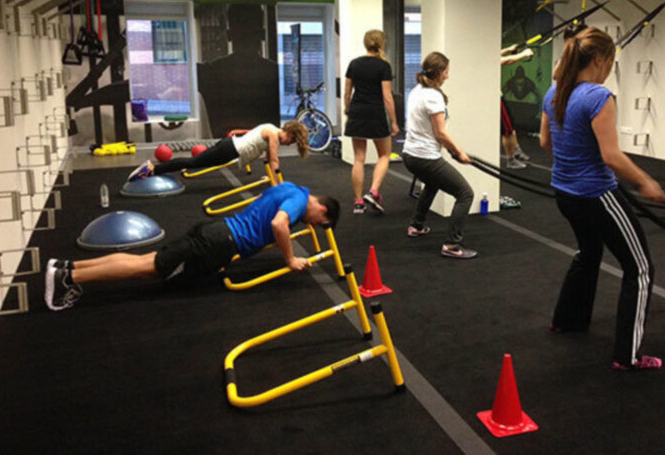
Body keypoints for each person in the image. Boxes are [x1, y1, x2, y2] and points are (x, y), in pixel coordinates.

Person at [539, 26, 665, 371]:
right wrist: (646, 181)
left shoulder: (554, 92)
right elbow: (611, 156)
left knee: (589, 252)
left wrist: (574, 151)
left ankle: (567, 320)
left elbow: (545, 143)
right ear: (599, 59)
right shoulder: (598, 96)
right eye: (611, 61)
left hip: (564, 193)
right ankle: (629, 356)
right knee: (639, 269)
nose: (610, 68)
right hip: (596, 194)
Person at [45, 182, 340, 311]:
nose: (311, 225)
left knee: (146, 262)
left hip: (217, 232)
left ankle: (68, 268)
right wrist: (290, 259)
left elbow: (261, 214)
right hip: (218, 242)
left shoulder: (290, 187)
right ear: (323, 211)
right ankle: (69, 278)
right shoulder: (300, 202)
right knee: (144, 268)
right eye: (318, 223)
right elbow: (278, 224)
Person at [402, 52, 476, 260]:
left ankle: (416, 226)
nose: (448, 76)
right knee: (465, 194)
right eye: (446, 72)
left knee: (432, 184)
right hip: (424, 157)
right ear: (438, 73)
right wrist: (458, 153)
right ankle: (452, 244)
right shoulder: (433, 96)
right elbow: (441, 133)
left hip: (410, 155)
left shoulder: (417, 90)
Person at [127, 121, 309, 182]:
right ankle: (151, 168)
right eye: (291, 141)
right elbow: (275, 160)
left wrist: (271, 178)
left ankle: (153, 168)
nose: (288, 144)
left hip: (228, 145)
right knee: (192, 163)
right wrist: (277, 185)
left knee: (194, 162)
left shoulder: (271, 129)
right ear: (290, 133)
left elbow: (270, 158)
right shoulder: (274, 134)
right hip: (228, 149)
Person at [343, 29, 399, 214]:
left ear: (365, 43)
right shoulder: (384, 66)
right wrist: (394, 122)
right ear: (381, 44)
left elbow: (346, 92)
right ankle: (373, 191)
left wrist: (348, 109)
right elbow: (387, 97)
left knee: (359, 158)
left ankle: (358, 202)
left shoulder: (354, 64)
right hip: (375, 113)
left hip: (357, 112)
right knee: (384, 155)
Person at [500, 45, 534, 169]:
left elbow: (496, 53)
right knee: (507, 131)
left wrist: (509, 49)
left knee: (510, 127)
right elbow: (506, 61)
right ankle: (511, 159)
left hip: (498, 96)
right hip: (494, 98)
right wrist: (523, 55)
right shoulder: (483, 56)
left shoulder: (485, 53)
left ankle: (516, 150)